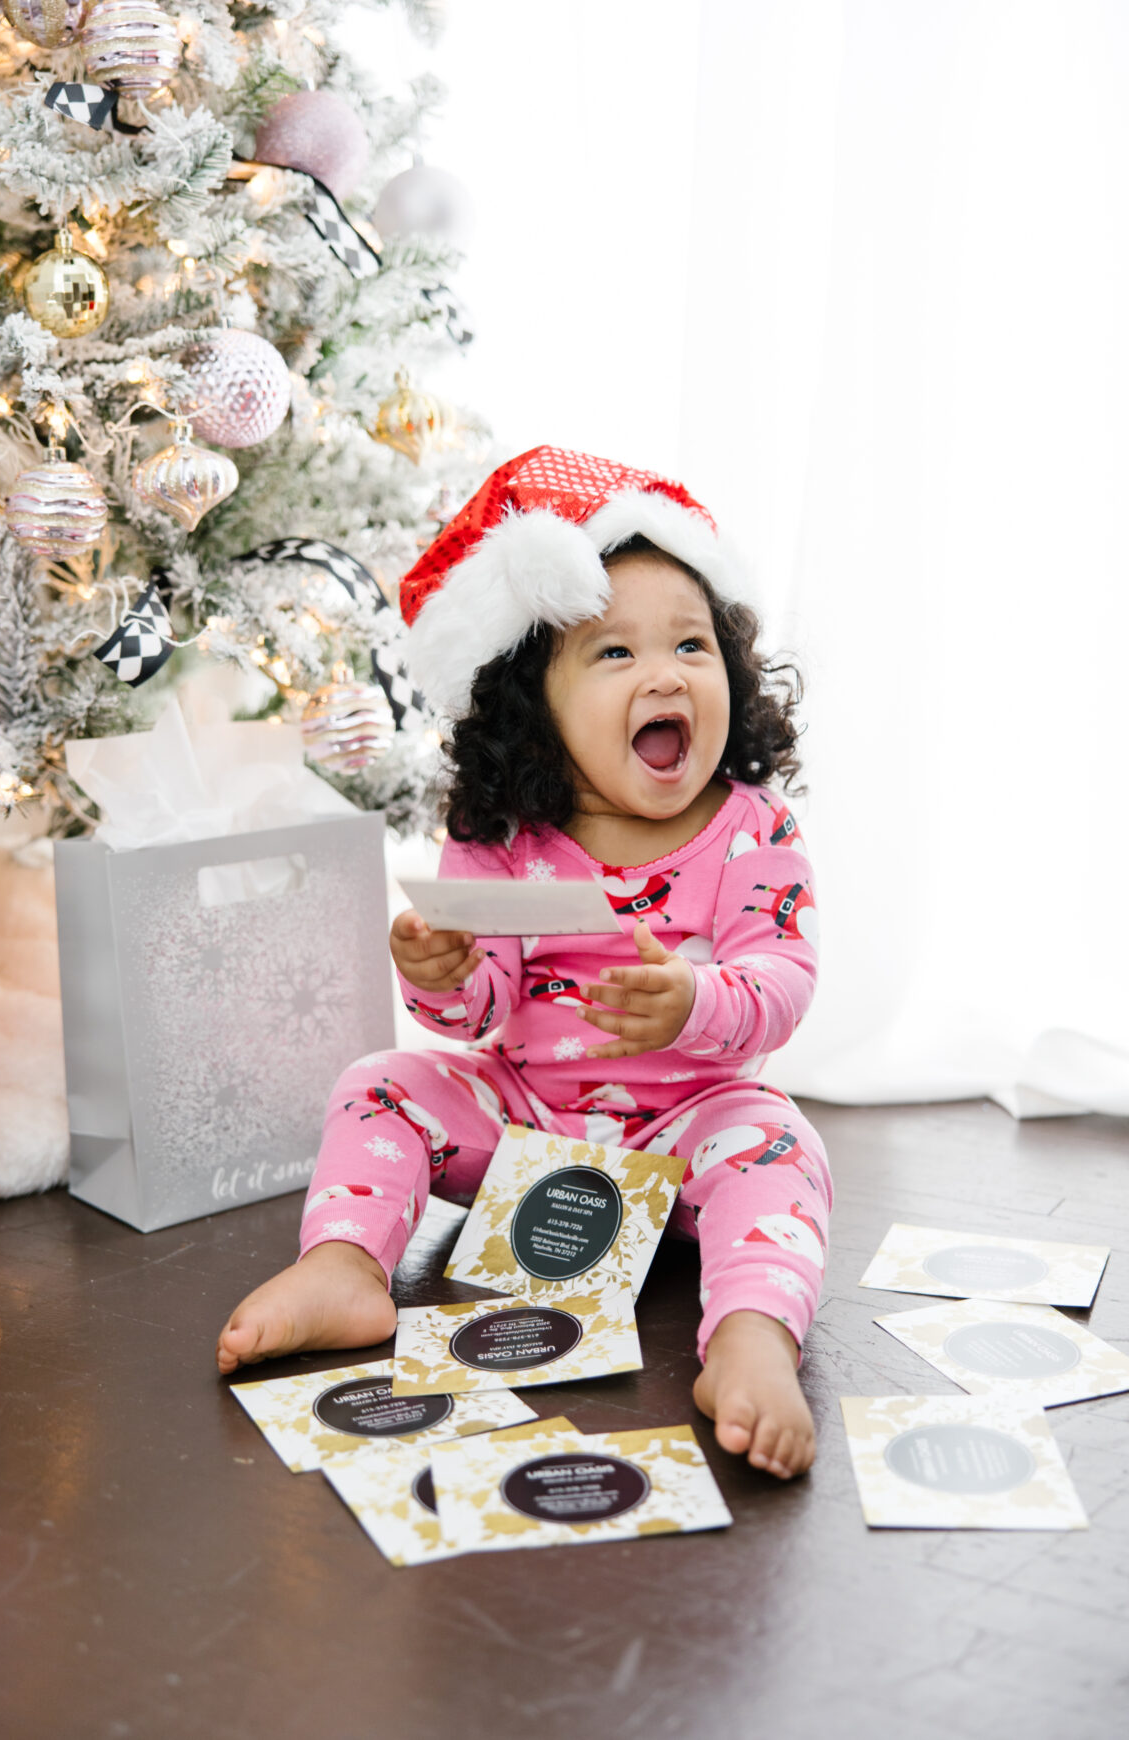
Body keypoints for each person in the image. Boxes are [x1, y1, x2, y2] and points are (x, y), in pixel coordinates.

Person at [217, 447, 830, 1481]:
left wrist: (692, 1002)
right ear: (532, 707)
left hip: (690, 1126)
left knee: (776, 1144)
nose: (665, 673)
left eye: (691, 643)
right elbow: (474, 1018)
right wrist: (445, 971)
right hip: (526, 1127)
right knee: (379, 1083)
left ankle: (750, 1340)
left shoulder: (748, 828)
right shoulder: (503, 832)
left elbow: (780, 983)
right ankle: (343, 1267)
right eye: (614, 655)